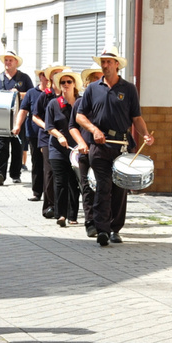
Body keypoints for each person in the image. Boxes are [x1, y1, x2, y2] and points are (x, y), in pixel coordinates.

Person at [75, 47, 154, 247]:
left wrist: (145, 133)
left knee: (120, 188)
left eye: (109, 61)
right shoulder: (93, 88)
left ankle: (115, 229)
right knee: (103, 186)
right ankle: (102, 229)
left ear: (117, 64)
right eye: (103, 61)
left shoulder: (128, 89)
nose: (106, 64)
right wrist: (94, 130)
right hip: (99, 146)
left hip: (122, 146)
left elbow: (136, 117)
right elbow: (79, 116)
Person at [46, 69, 83, 227]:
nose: (66, 85)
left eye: (69, 82)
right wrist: (59, 136)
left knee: (74, 182)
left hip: (76, 150)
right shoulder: (54, 104)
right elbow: (49, 126)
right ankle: (61, 215)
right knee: (60, 181)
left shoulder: (81, 103)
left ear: (74, 84)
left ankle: (72, 215)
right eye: (63, 82)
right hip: (57, 149)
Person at [0, 49, 32, 186]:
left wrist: (19, 94)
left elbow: (31, 95)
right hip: (1, 119)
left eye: (10, 60)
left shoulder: (24, 78)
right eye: (6, 60)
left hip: (18, 119)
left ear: (16, 62)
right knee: (1, 147)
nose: (8, 62)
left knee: (17, 147)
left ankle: (15, 174)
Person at [71, 64, 103, 237]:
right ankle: (90, 222)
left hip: (104, 151)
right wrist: (81, 142)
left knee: (103, 187)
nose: (98, 82)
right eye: (94, 79)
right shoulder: (80, 103)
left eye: (100, 78)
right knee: (87, 187)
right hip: (85, 151)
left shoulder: (107, 101)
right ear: (87, 83)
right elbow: (72, 127)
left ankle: (103, 222)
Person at [33, 62, 66, 218]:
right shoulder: (45, 95)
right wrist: (47, 126)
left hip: (66, 138)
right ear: (50, 77)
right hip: (47, 138)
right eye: (55, 73)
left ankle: (63, 207)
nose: (58, 76)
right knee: (50, 172)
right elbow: (35, 116)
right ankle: (49, 206)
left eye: (60, 73)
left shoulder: (68, 93)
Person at [13, 67, 48, 202]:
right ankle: (37, 192)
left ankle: (49, 192)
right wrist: (17, 125)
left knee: (49, 164)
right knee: (37, 162)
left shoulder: (54, 93)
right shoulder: (31, 93)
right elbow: (23, 110)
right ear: (40, 77)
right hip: (34, 133)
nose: (47, 78)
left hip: (51, 134)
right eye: (44, 75)